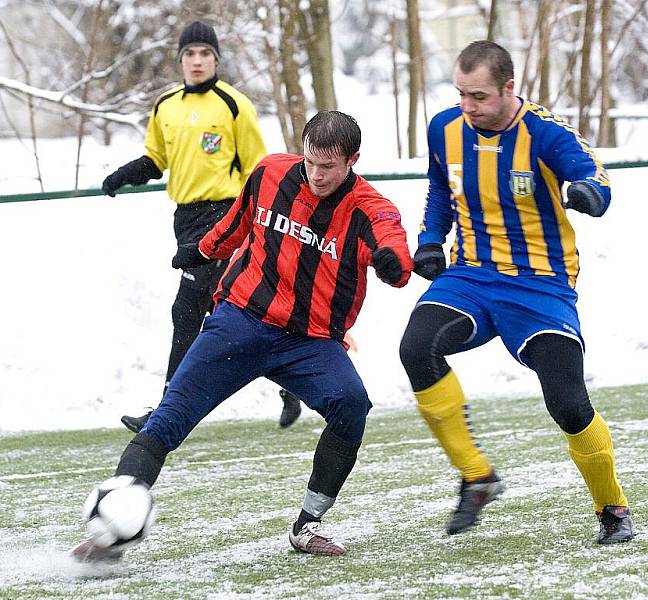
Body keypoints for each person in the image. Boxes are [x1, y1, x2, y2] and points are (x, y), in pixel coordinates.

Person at [76, 110, 414, 561]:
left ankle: (307, 525)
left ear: (352, 160)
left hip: (309, 341)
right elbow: (236, 224)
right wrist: (200, 250)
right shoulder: (271, 172)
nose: (316, 175)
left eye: (329, 167)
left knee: (352, 404)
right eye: (311, 161)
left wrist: (394, 264)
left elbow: (393, 245)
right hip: (240, 321)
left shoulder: (369, 207)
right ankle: (113, 529)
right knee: (170, 415)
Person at [398, 40, 633, 544]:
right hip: (471, 275)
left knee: (568, 405)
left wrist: (588, 194)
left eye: (478, 96)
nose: (467, 106)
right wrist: (429, 242)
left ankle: (612, 508)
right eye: (460, 93)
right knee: (416, 348)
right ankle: (476, 476)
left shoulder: (545, 134)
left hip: (540, 286)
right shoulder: (445, 128)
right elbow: (441, 188)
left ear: (509, 88)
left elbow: (595, 174)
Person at [101, 21, 302, 431]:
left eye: (205, 54)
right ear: (180, 60)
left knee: (187, 312)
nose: (197, 61)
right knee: (235, 317)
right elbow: (155, 160)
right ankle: (292, 385)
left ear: (216, 60)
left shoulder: (234, 105)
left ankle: (165, 414)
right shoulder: (166, 106)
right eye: (189, 54)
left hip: (225, 216)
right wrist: (123, 174)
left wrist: (255, 226)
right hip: (186, 218)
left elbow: (258, 172)